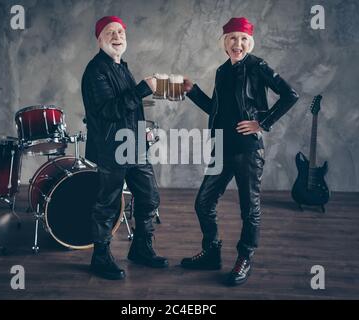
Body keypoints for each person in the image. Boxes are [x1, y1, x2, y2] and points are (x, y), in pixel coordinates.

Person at [181, 17, 299, 286]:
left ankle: (245, 257)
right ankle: (212, 252)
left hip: (248, 150)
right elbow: (217, 110)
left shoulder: (258, 67)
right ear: (224, 43)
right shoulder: (222, 71)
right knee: (203, 202)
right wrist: (192, 91)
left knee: (249, 208)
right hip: (223, 147)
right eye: (232, 38)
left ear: (250, 42)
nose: (238, 44)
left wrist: (263, 122)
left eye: (243, 38)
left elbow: (290, 94)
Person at [81, 16, 168, 280]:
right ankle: (100, 257)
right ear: (99, 39)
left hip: (134, 146)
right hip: (110, 148)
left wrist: (144, 132)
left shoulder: (122, 67)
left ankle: (141, 248)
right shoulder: (96, 70)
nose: (117, 36)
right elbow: (110, 111)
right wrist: (143, 88)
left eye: (120, 32)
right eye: (110, 32)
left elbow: (130, 111)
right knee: (107, 204)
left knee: (149, 197)